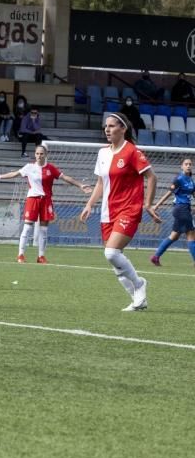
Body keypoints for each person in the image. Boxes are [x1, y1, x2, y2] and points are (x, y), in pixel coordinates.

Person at [80, 113, 160, 311]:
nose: (107, 129)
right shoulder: (102, 153)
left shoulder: (132, 152)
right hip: (108, 211)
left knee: (111, 253)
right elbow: (100, 182)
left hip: (129, 209)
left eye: (112, 126)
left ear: (123, 129)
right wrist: (89, 204)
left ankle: (140, 284)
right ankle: (137, 299)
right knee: (115, 261)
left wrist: (148, 204)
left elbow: (152, 177)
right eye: (105, 126)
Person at [0, 145, 91, 264]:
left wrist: (80, 185)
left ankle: (41, 256)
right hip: (33, 200)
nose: (39, 156)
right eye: (37, 153)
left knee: (44, 230)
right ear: (35, 154)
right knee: (27, 228)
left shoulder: (51, 168)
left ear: (46, 155)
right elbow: (14, 174)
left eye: (41, 154)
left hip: (46, 201)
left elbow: (65, 178)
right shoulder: (29, 167)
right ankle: (21, 255)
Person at [150, 158, 195, 267]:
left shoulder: (191, 180)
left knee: (174, 236)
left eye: (190, 164)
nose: (188, 166)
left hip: (185, 209)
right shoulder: (179, 179)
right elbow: (169, 193)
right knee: (191, 234)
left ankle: (155, 257)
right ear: (182, 166)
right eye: (186, 164)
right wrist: (156, 206)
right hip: (180, 209)